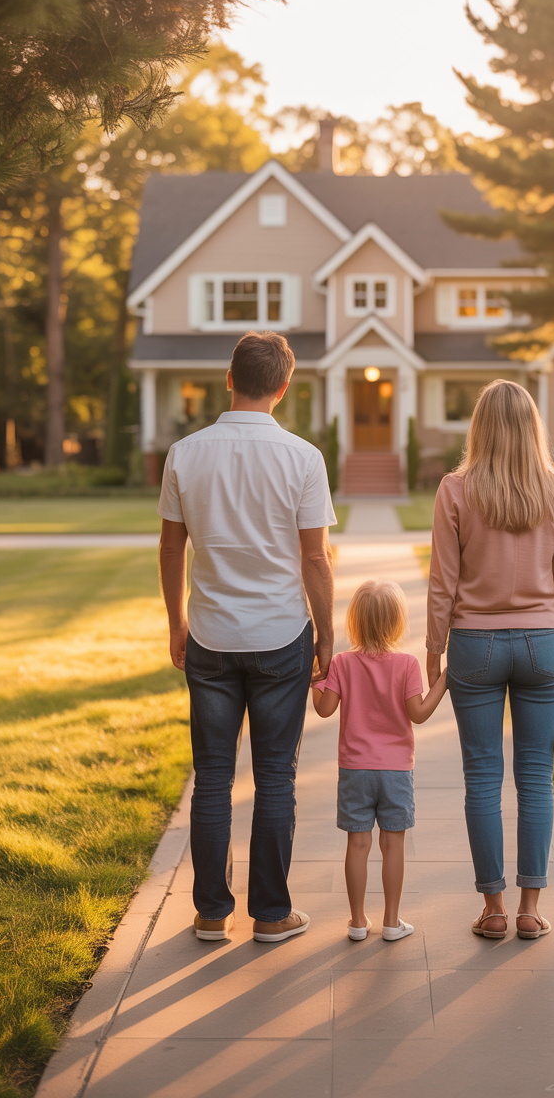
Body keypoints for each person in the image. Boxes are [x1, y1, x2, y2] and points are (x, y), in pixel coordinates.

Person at [158, 331, 336, 944]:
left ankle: (211, 913)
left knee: (212, 777)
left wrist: (176, 623)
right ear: (283, 388)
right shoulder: (303, 457)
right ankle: (270, 915)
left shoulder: (184, 452)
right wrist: (328, 636)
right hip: (282, 635)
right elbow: (316, 559)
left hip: (209, 635)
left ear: (228, 379)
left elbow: (171, 545)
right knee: (275, 779)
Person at [426, 379, 554, 940]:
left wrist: (432, 646)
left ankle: (493, 908)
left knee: (482, 777)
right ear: (532, 428)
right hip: (545, 644)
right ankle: (530, 910)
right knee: (537, 780)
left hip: (475, 645)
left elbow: (443, 579)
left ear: (480, 428)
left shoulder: (456, 488)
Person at [312, 579, 447, 941]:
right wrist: (444, 682)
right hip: (395, 771)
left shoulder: (341, 663)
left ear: (354, 621)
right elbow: (418, 714)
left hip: (354, 769)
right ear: (398, 622)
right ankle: (391, 921)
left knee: (357, 844)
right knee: (393, 844)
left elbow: (325, 710)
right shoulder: (407, 665)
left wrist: (316, 680)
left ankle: (357, 922)